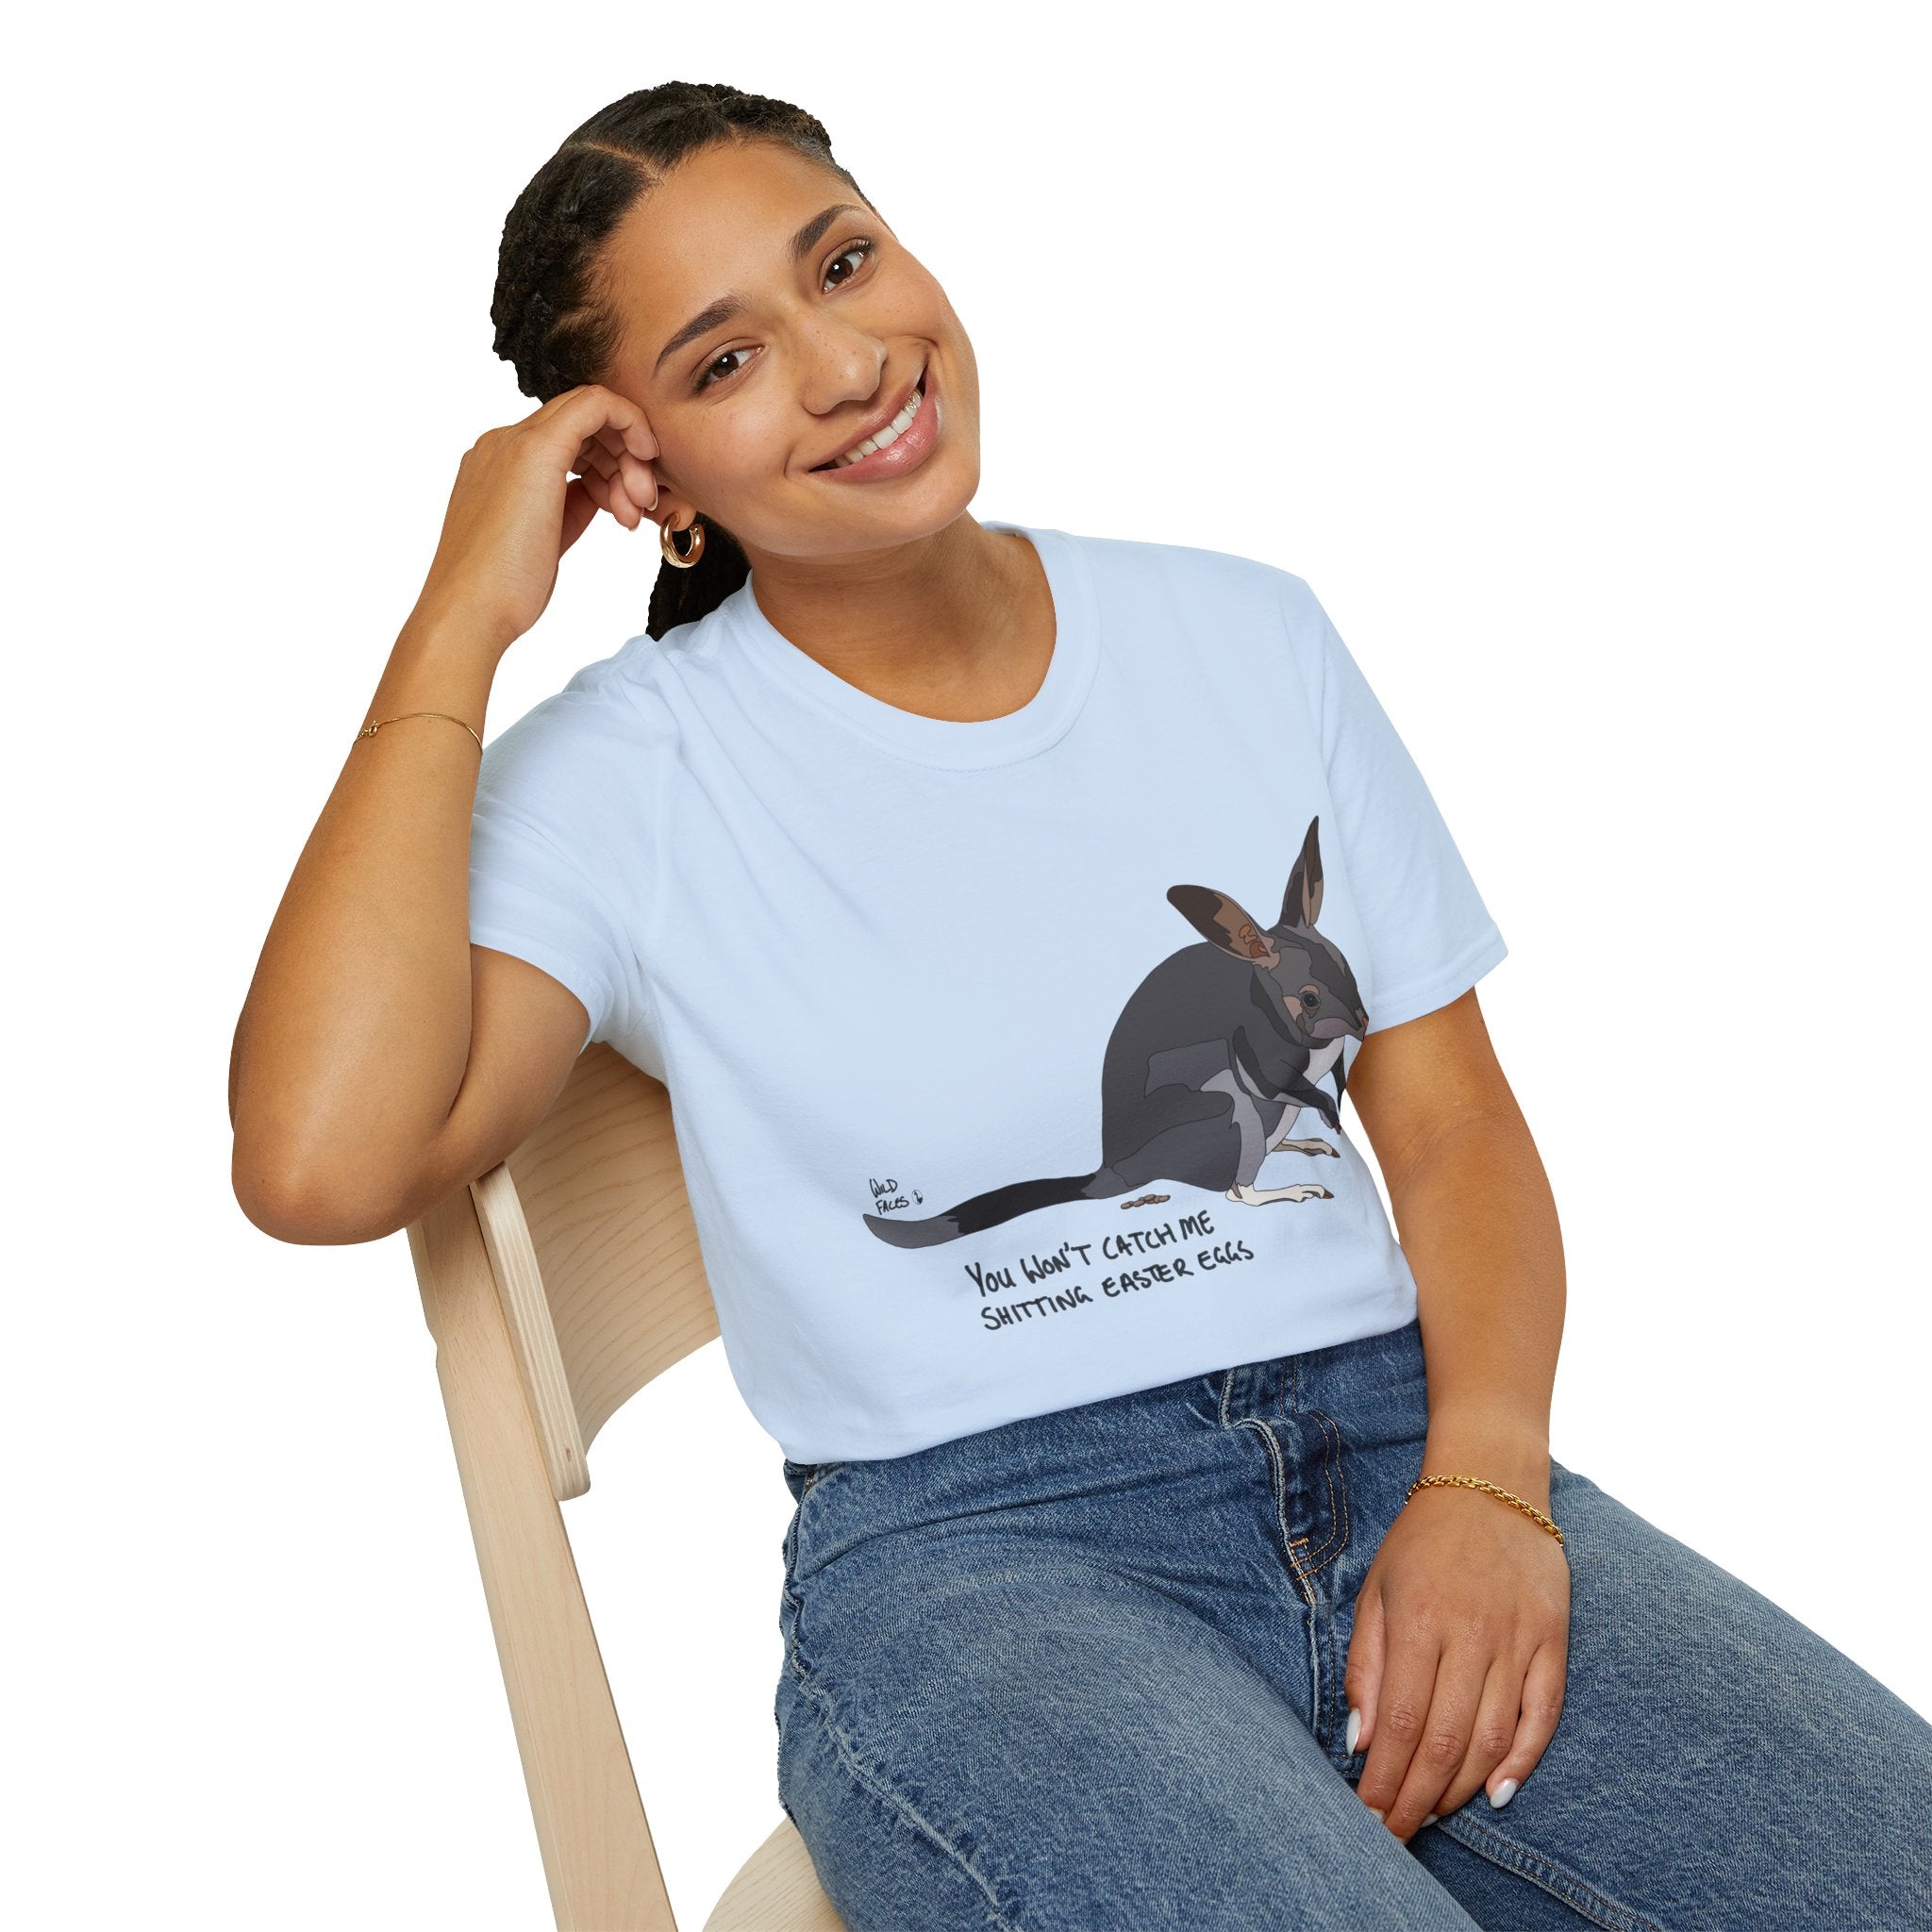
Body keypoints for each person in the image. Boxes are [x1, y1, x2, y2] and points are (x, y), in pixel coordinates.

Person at [228, 81, 1932, 1931]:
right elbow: (320, 1161)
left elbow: (1449, 1128)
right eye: (726, 361)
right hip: (985, 1564)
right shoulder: (631, 776)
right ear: (649, 480)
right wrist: (458, 618)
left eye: (843, 264)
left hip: (1404, 1447)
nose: (847, 365)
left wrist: (1490, 1486)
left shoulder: (1246, 635)